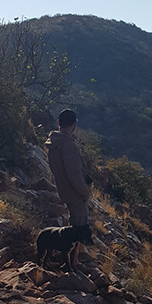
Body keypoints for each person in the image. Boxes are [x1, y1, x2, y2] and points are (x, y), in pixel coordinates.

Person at [46, 108, 94, 259]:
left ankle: (73, 255)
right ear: (74, 125)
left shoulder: (54, 142)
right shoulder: (68, 145)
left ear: (58, 123)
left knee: (73, 223)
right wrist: (85, 192)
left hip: (63, 188)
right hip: (74, 191)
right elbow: (74, 174)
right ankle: (74, 261)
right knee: (79, 226)